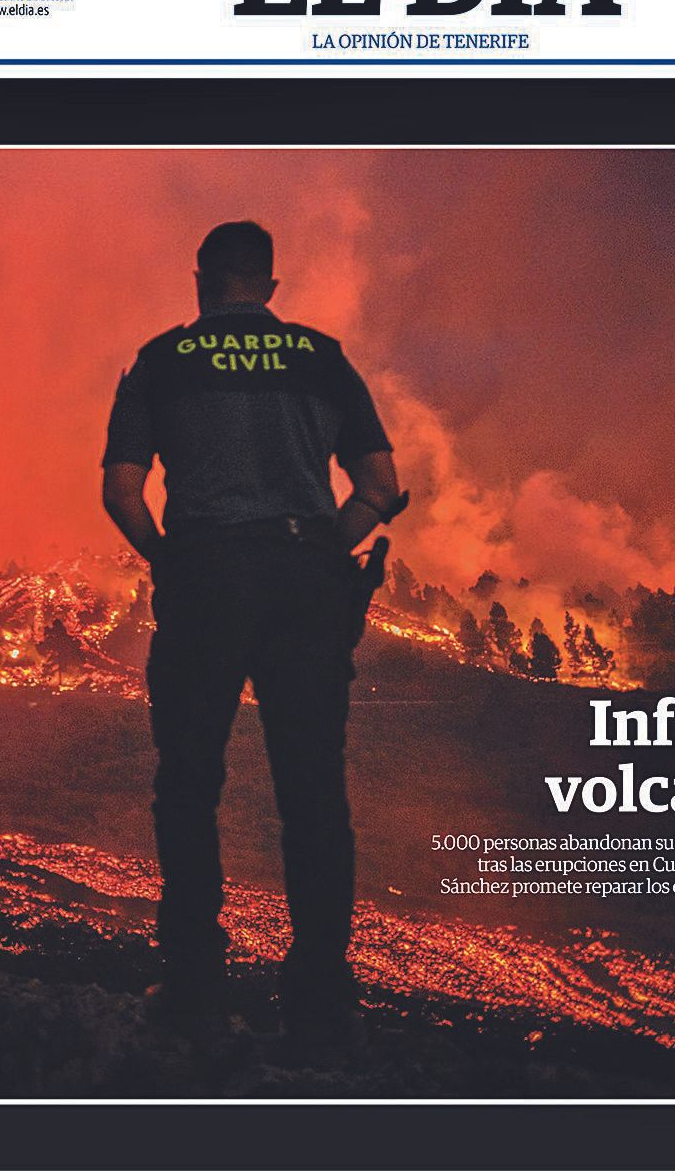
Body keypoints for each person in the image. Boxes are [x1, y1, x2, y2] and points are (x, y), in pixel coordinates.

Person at [101, 220, 402, 1059]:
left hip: (204, 578)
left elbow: (122, 491)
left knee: (189, 784)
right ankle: (318, 1009)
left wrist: (172, 557)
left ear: (202, 280)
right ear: (269, 288)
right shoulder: (322, 357)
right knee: (313, 794)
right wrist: (324, 549)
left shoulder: (162, 361)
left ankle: (194, 990)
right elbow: (380, 484)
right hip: (305, 581)